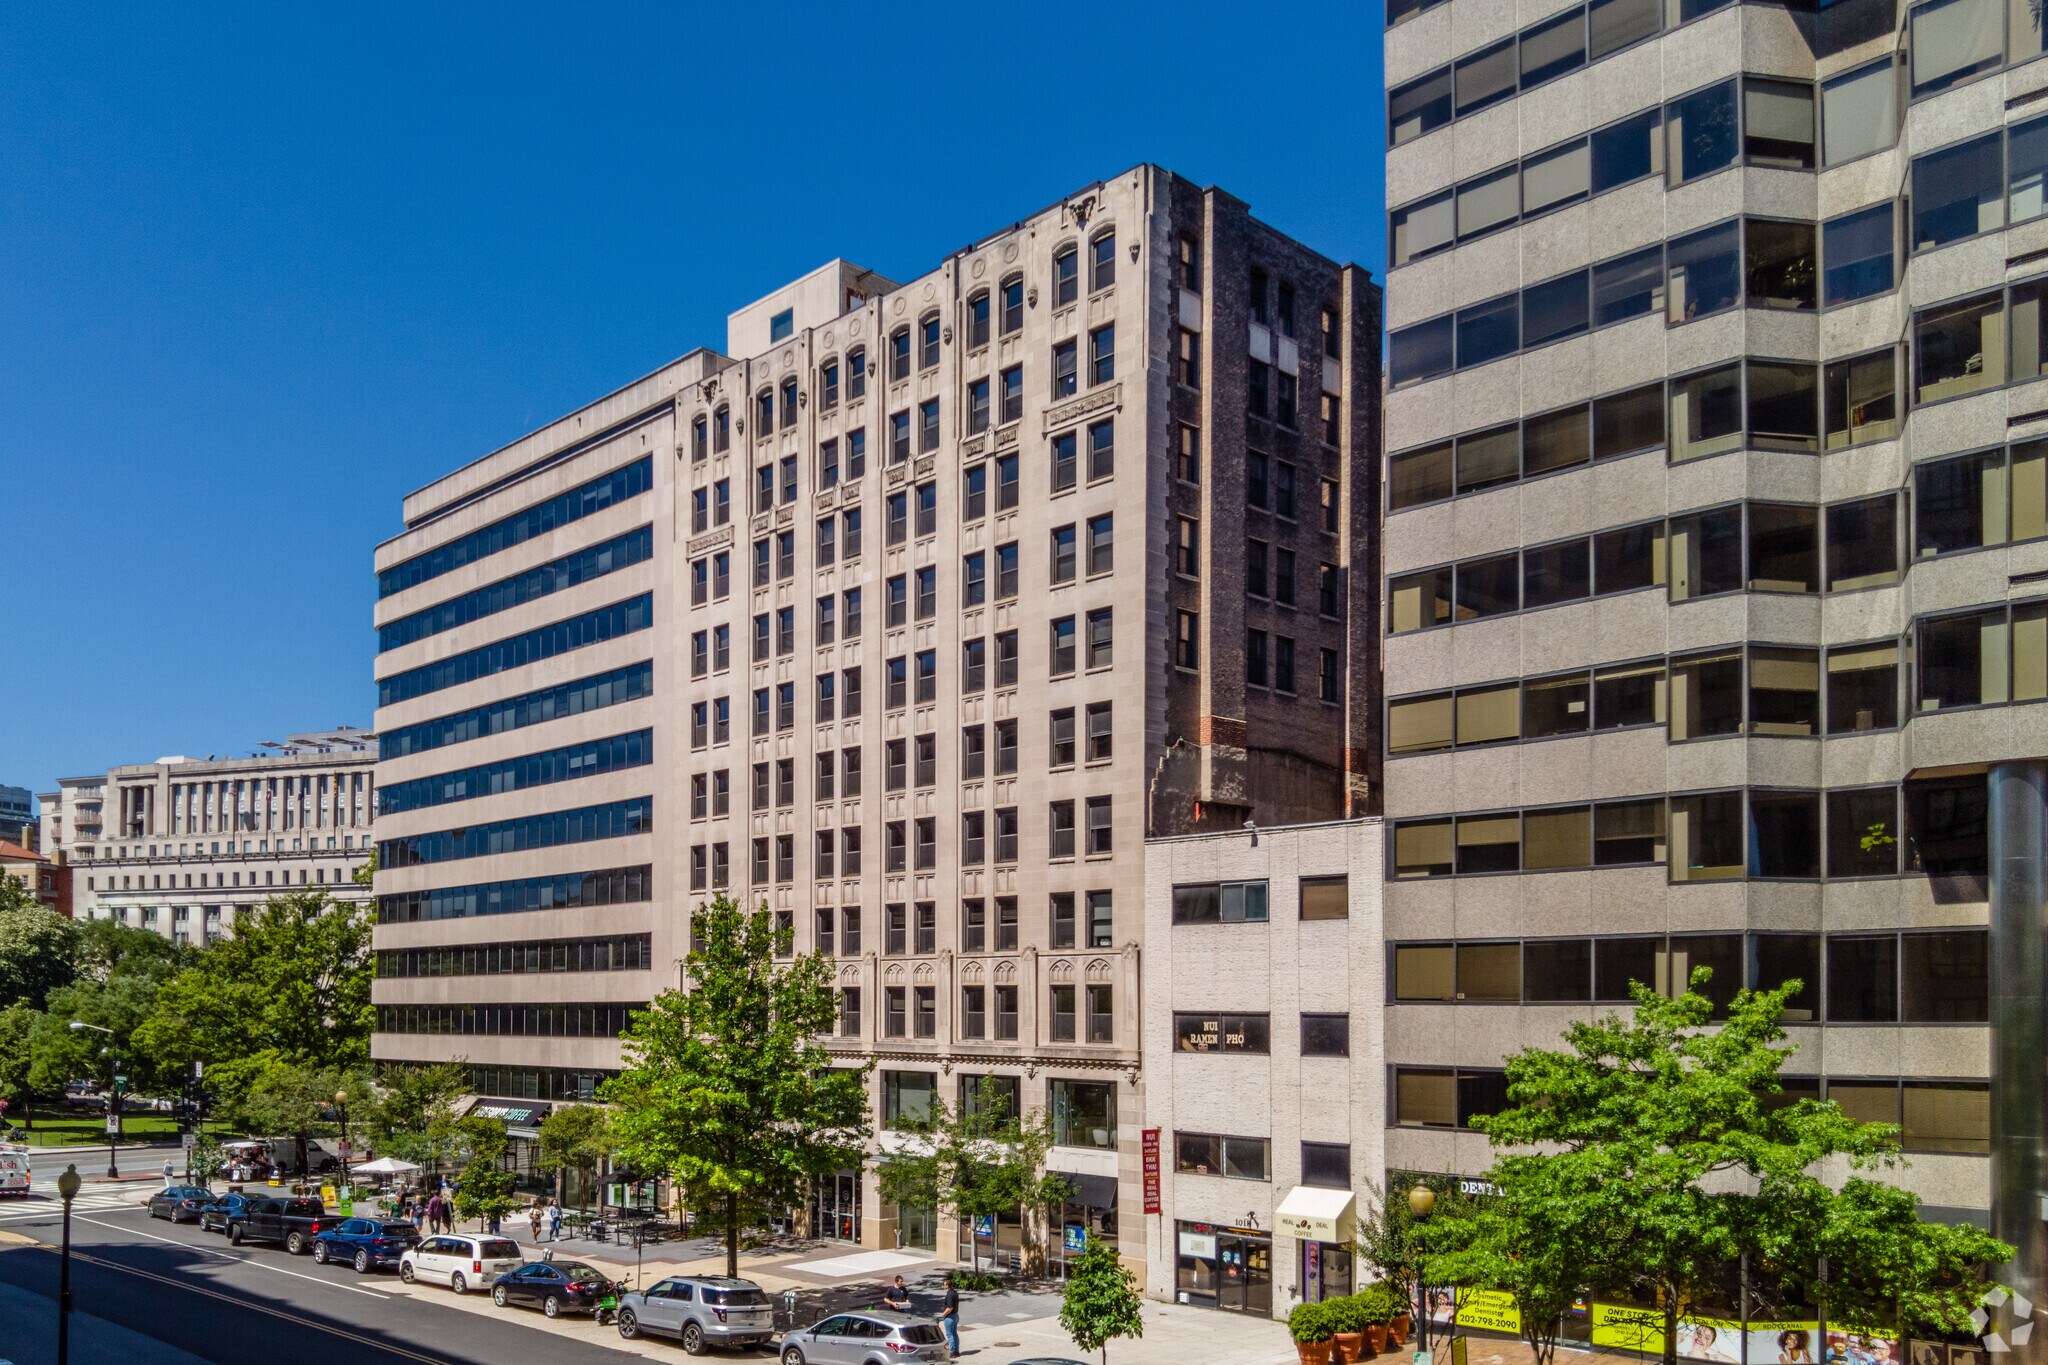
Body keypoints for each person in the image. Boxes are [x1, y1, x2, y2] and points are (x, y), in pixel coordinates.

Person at [940, 1278, 960, 1358]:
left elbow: (949, 1308)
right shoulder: (955, 1293)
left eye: (944, 1284)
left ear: (947, 1285)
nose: (943, 1286)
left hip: (950, 1317)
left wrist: (943, 1314)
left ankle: (951, 1352)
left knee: (949, 1334)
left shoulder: (949, 1295)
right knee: (954, 1333)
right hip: (955, 1315)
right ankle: (956, 1351)